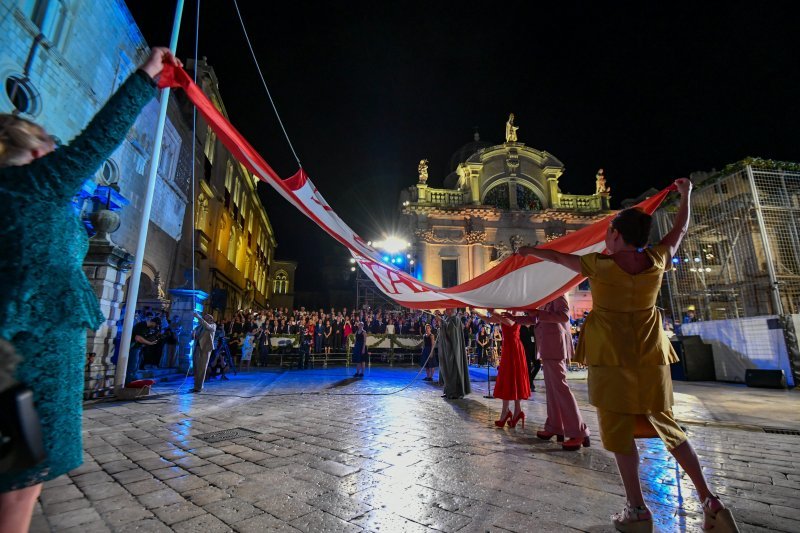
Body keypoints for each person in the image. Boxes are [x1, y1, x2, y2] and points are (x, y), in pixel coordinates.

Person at [0, 47, 179, 532]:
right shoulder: (33, 187)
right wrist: (145, 78)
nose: (58, 153)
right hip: (31, 355)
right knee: (18, 480)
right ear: (36, 151)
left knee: (18, 474)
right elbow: (97, 140)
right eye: (50, 145)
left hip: (25, 347)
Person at [517, 178, 738, 532]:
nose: (606, 238)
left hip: (611, 359)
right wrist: (686, 196)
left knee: (619, 432)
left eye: (609, 233)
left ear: (617, 235)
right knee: (669, 426)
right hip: (651, 355)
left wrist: (530, 251)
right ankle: (709, 498)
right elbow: (679, 229)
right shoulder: (657, 259)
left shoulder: (599, 266)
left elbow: (559, 257)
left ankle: (636, 509)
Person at [518, 295, 590, 451]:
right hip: (548, 347)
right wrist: (515, 318)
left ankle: (579, 431)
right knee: (552, 390)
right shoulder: (547, 295)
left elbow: (564, 316)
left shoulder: (559, 293)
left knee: (561, 389)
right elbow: (538, 320)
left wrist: (536, 313)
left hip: (556, 346)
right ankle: (555, 426)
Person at [480, 311, 530, 429]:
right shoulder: (507, 314)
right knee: (509, 378)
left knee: (512, 377)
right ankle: (515, 411)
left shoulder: (517, 314)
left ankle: (507, 412)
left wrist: (492, 311)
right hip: (509, 348)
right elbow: (488, 320)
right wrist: (475, 311)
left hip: (514, 348)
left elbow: (509, 322)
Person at [436, 309, 471, 399]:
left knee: (453, 371)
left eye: (447, 309)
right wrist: (441, 323)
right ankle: (448, 391)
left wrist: (441, 321)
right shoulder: (447, 318)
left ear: (451, 310)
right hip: (446, 350)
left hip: (454, 351)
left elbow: (452, 331)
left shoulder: (456, 319)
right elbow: (444, 330)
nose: (445, 310)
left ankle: (455, 392)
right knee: (446, 370)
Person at [126, 317, 159, 385]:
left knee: (136, 366)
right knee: (132, 365)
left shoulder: (146, 328)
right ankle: (128, 382)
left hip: (138, 348)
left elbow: (142, 338)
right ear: (154, 322)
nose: (155, 327)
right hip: (133, 348)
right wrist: (149, 343)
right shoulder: (142, 325)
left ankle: (133, 380)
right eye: (156, 325)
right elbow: (138, 338)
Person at [192, 312, 217, 391]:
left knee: (202, 368)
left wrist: (199, 317)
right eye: (205, 317)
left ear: (211, 319)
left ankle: (199, 387)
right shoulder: (199, 327)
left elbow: (207, 327)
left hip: (206, 349)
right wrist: (193, 334)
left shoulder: (213, 325)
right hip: (197, 348)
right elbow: (195, 334)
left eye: (207, 318)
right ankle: (195, 386)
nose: (205, 319)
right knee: (196, 367)